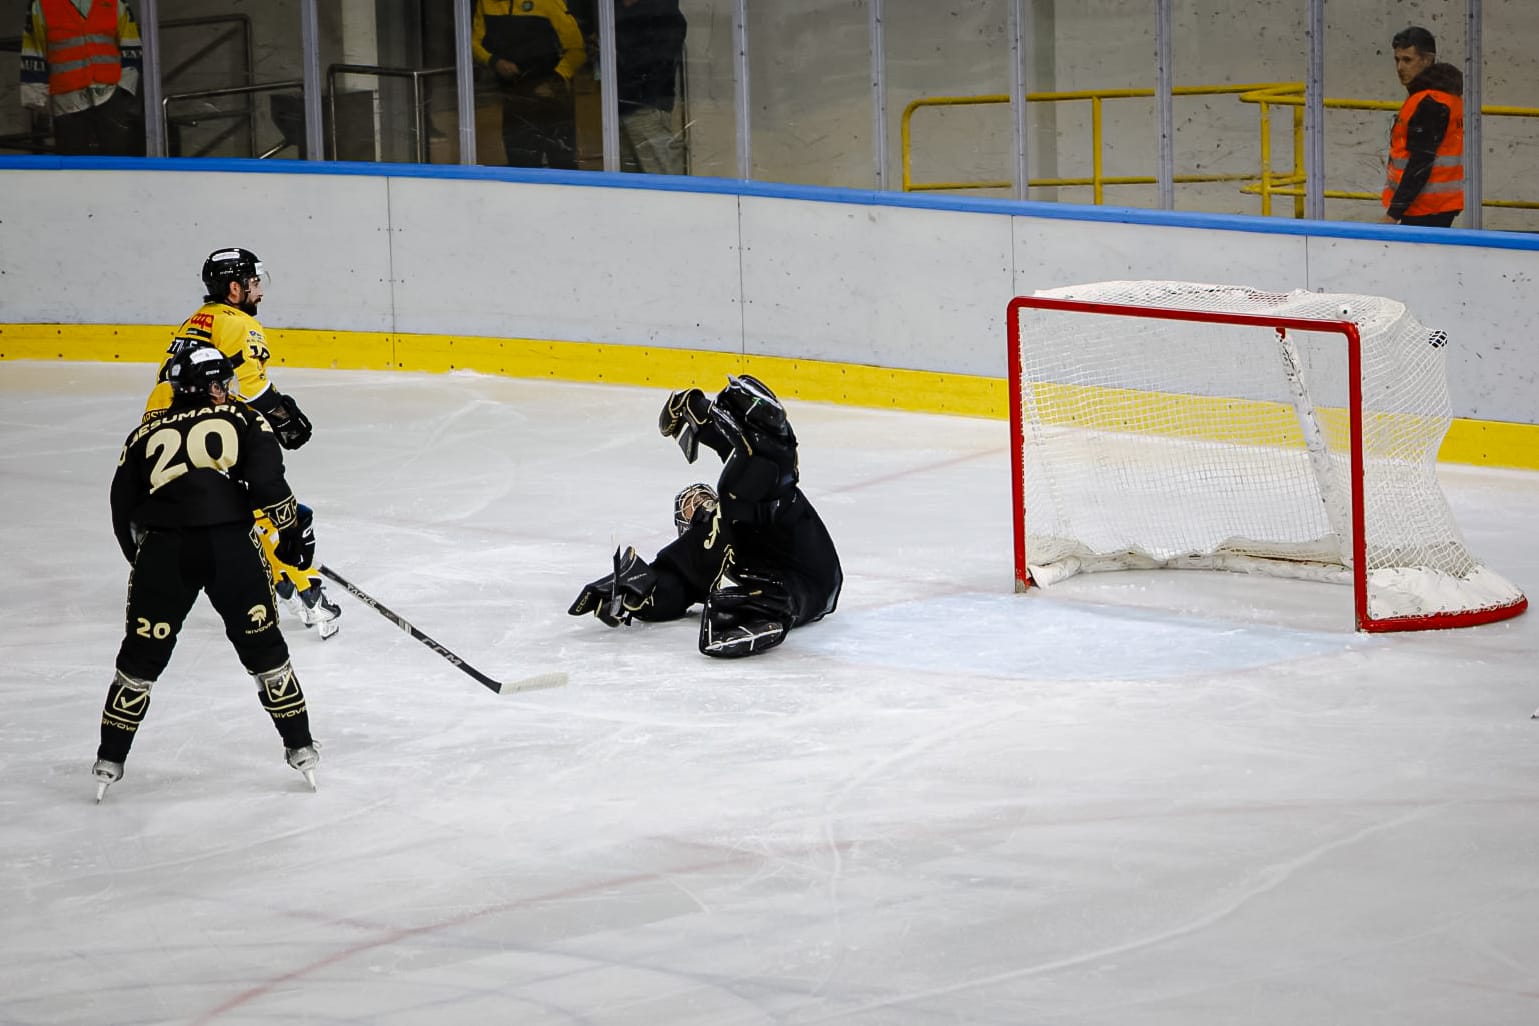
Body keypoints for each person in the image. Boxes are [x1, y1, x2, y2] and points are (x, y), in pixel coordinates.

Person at [97, 346, 321, 802]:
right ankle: (299, 746)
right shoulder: (244, 419)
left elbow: (123, 509)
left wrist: (143, 559)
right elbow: (269, 487)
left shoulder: (143, 433)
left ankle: (110, 757)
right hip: (230, 549)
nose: (229, 391)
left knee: (140, 659)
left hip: (164, 551)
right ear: (213, 386)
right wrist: (292, 536)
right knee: (264, 650)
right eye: (224, 383)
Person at [569, 375, 842, 657]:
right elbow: (676, 585)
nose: (699, 502)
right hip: (801, 588)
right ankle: (767, 612)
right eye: (693, 505)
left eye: (699, 499)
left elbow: (753, 460)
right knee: (762, 593)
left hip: (810, 576)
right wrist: (636, 592)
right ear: (687, 525)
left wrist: (699, 411)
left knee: (755, 489)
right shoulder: (714, 532)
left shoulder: (743, 501)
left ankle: (768, 609)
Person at [145, 247, 341, 639]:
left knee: (239, 512)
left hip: (160, 428)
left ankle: (282, 583)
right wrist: (282, 417)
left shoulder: (196, 320)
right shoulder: (238, 322)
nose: (259, 291)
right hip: (212, 433)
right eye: (252, 282)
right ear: (234, 288)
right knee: (287, 515)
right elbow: (251, 388)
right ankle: (306, 593)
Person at [19, 0, 145, 156]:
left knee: (118, 163)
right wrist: (37, 98)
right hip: (67, 101)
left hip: (110, 95)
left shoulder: (115, 2)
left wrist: (125, 89)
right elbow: (33, 51)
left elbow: (131, 43)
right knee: (74, 166)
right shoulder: (42, 5)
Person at [473, 0, 587, 169]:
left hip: (551, 96)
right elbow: (472, 43)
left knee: (562, 165)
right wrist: (494, 61)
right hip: (515, 95)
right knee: (521, 164)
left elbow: (577, 49)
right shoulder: (486, 3)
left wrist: (554, 80)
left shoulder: (548, 2)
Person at [1381, 26, 1464, 228]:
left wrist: (1393, 214)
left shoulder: (1430, 102)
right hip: (1436, 204)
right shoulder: (1444, 95)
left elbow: (1421, 162)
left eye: (1407, 60)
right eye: (1397, 59)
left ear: (1427, 60)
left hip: (1425, 206)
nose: (1400, 67)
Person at [616, 0, 687, 175]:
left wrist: (618, 53)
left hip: (647, 107)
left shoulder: (664, 13)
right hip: (619, 107)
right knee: (628, 181)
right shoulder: (614, 11)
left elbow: (656, 63)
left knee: (661, 177)